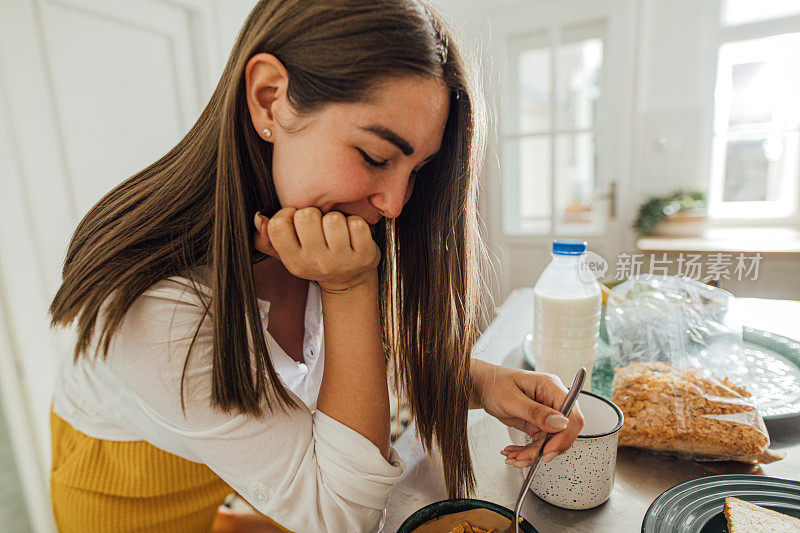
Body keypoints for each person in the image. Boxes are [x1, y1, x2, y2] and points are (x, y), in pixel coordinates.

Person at [47, 0, 584, 531]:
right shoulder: (152, 306)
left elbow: (359, 351)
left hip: (243, 470)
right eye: (375, 156)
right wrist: (348, 287)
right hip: (126, 494)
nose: (395, 204)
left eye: (416, 170)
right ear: (269, 100)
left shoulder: (316, 227)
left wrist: (479, 381)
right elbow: (339, 518)